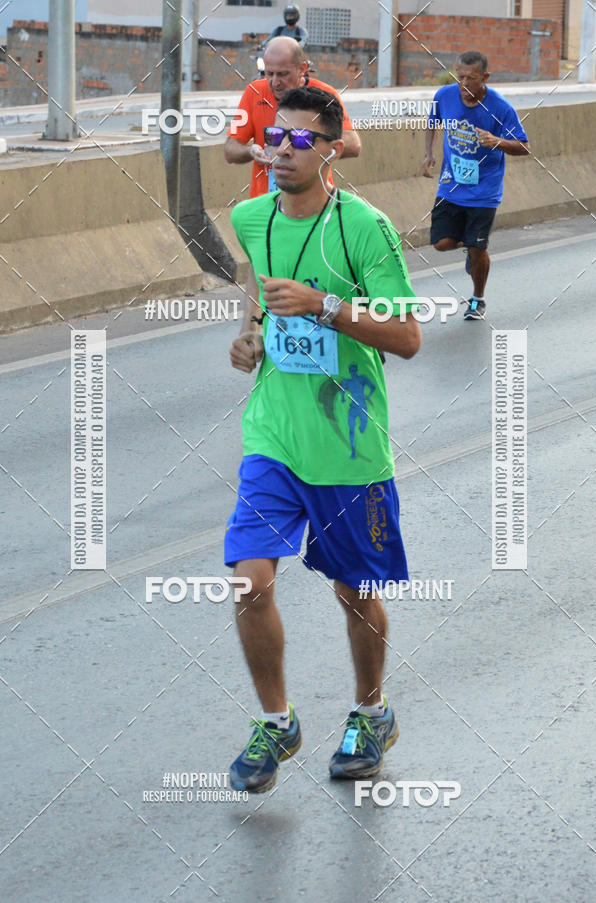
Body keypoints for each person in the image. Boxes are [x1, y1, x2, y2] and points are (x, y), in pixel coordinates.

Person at [225, 86, 421, 793]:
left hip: (349, 443)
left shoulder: (366, 228)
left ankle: (372, 709)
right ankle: (277, 723)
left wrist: (326, 305)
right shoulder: (250, 217)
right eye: (275, 138)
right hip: (273, 432)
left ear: (333, 149)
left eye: (301, 141)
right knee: (250, 581)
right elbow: (258, 307)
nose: (281, 150)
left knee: (353, 591)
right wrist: (247, 342)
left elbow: (406, 335)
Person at [422, 50, 530, 321]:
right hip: (451, 185)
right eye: (460, 77)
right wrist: (429, 154)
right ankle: (470, 247)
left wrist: (496, 141)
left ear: (485, 78)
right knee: (441, 243)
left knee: (479, 247)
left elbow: (524, 147)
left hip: (484, 191)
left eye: (471, 78)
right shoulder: (444, 96)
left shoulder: (500, 107)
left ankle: (477, 298)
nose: (464, 83)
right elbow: (432, 122)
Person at [224, 36, 360, 199]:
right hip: (266, 204)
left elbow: (353, 144)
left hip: (314, 202)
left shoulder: (324, 95)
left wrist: (307, 147)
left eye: (283, 74)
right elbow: (230, 149)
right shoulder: (254, 92)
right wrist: (251, 151)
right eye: (269, 74)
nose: (275, 82)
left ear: (302, 69)